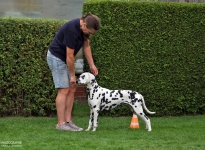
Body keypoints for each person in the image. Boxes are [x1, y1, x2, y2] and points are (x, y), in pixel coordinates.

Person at [47, 14, 101, 131]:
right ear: (84, 25)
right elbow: (70, 56)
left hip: (65, 59)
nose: (90, 35)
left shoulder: (84, 31)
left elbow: (86, 47)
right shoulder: (72, 29)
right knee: (64, 89)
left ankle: (68, 121)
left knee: (72, 88)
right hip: (57, 58)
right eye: (90, 32)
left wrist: (92, 65)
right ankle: (61, 124)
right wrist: (72, 76)